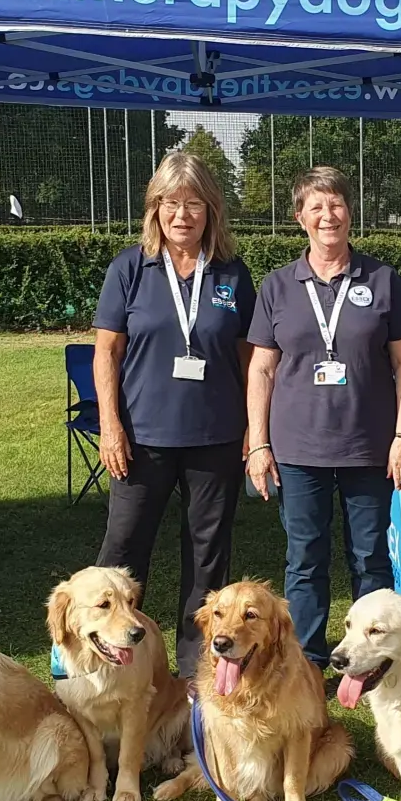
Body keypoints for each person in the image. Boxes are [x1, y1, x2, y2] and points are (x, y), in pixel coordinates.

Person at [245, 166, 401, 669]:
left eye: (336, 204)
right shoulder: (277, 287)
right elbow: (261, 368)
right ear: (300, 217)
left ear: (350, 211)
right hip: (298, 449)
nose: (328, 215)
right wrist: (258, 444)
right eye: (316, 207)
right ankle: (305, 665)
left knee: (370, 560)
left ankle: (380, 663)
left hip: (369, 448)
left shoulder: (382, 280)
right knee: (304, 562)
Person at [93, 150, 256, 678]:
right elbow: (107, 353)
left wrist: (255, 428)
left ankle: (195, 669)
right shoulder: (129, 268)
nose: (181, 215)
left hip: (216, 436)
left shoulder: (232, 272)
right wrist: (110, 426)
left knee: (208, 557)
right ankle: (110, 660)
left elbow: (250, 356)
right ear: (154, 209)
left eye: (192, 204)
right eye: (169, 203)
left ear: (211, 210)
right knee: (122, 553)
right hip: (142, 437)